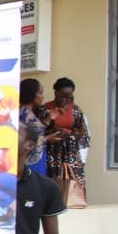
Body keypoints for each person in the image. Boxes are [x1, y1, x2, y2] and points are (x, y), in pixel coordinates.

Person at [45, 77, 89, 205]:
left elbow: (82, 131)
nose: (65, 100)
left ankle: (73, 205)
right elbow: (38, 130)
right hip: (51, 152)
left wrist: (70, 133)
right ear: (56, 93)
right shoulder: (45, 109)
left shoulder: (76, 110)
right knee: (52, 182)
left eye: (69, 97)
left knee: (73, 182)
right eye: (62, 96)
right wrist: (55, 131)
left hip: (70, 153)